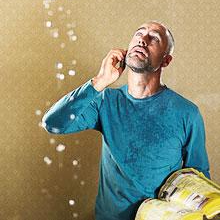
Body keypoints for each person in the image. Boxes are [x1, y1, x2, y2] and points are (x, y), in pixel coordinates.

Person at [42, 20, 211, 220]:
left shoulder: (187, 113)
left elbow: (198, 180)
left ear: (165, 61)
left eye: (154, 38)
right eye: (139, 33)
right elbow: (53, 124)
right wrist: (100, 81)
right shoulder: (105, 101)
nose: (142, 39)